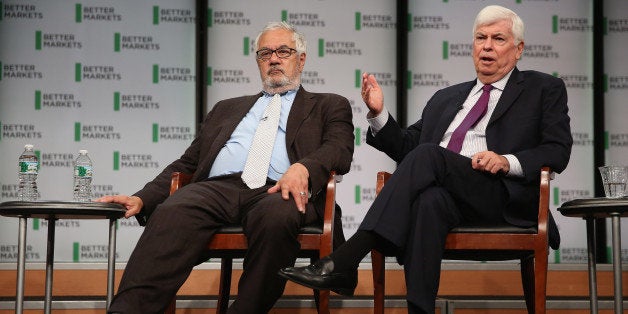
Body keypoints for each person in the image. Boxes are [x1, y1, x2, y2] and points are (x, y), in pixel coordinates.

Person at [279, 5, 572, 314]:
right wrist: (379, 115)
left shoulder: (543, 89)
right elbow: (409, 147)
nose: (486, 46)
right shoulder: (447, 97)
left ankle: (347, 258)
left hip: (501, 197)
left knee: (430, 155)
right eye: (480, 37)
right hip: (450, 199)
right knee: (428, 201)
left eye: (498, 38)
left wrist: (506, 160)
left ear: (518, 49)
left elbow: (557, 149)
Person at [96, 21, 354, 314]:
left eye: (283, 51)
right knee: (173, 209)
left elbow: (339, 150)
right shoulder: (226, 108)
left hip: (278, 189)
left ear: (301, 59)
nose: (273, 59)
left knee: (277, 216)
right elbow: (187, 163)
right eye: (265, 53)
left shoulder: (328, 105)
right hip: (217, 189)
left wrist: (303, 168)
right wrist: (143, 198)